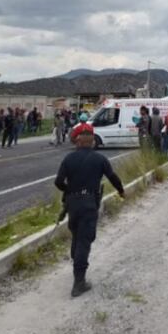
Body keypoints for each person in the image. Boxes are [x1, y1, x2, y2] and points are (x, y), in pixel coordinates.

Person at [53, 123, 126, 297]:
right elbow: (113, 177)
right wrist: (121, 191)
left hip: (72, 203)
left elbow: (58, 182)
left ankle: (76, 261)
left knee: (77, 235)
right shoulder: (100, 159)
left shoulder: (68, 159)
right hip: (88, 203)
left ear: (78, 143)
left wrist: (69, 190)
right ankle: (79, 283)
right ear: (92, 143)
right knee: (85, 240)